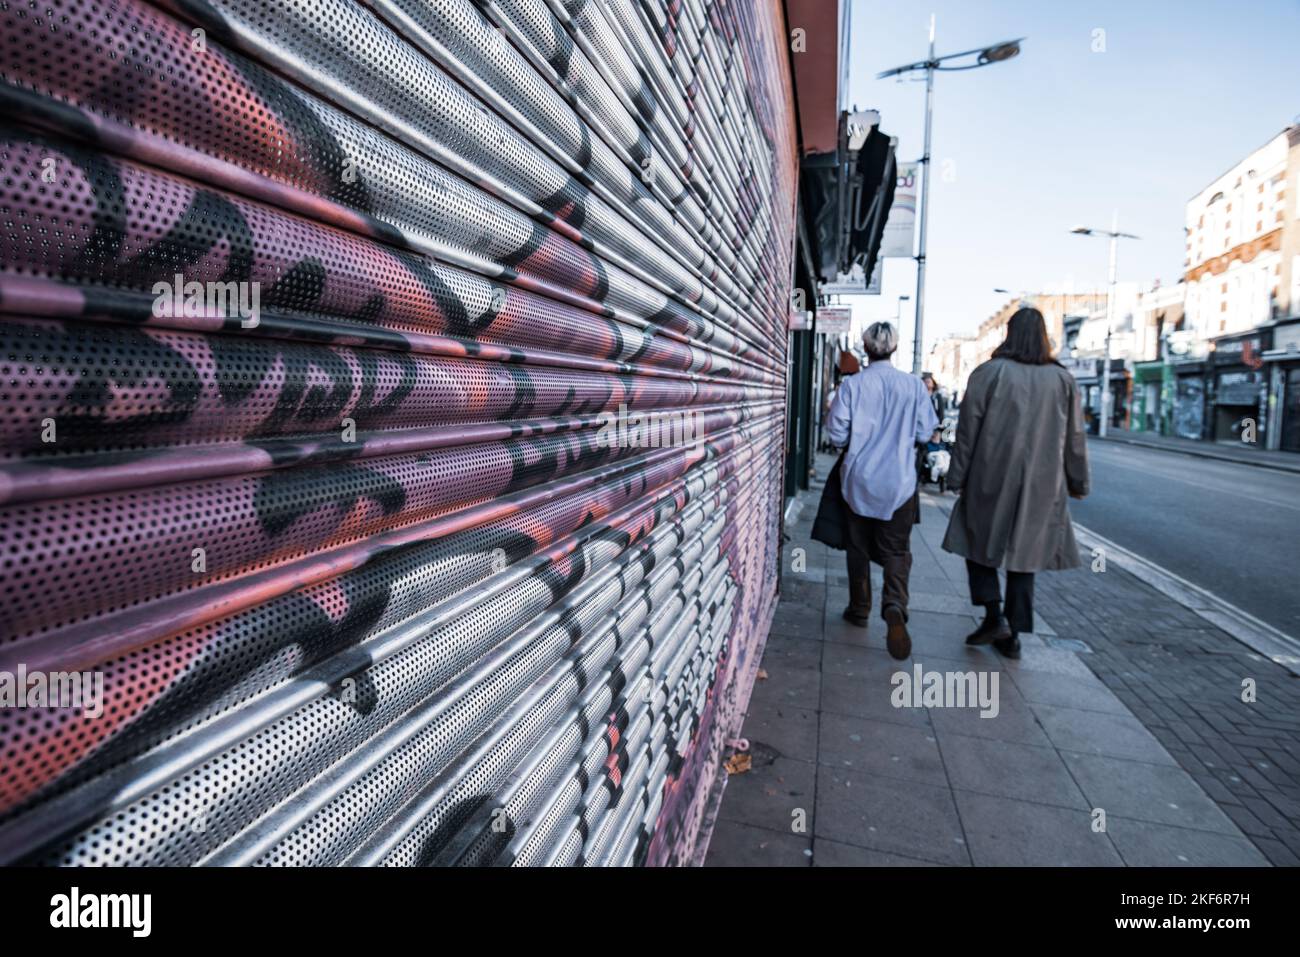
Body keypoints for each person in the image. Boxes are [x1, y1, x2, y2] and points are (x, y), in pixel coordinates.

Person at [941, 307, 1090, 659]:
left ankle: (994, 615)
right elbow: (1075, 438)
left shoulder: (988, 373)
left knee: (976, 543)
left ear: (1009, 334)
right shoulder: (1062, 379)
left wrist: (957, 476)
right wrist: (1078, 481)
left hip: (989, 477)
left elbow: (967, 433)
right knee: (1026, 556)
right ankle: (1013, 634)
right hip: (1043, 485)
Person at [827, 322, 939, 660]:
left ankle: (859, 608)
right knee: (895, 550)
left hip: (858, 479)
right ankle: (894, 603)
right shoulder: (914, 387)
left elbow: (835, 434)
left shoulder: (853, 385)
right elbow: (925, 431)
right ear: (894, 347)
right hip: (900, 482)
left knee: (857, 546)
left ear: (866, 347)